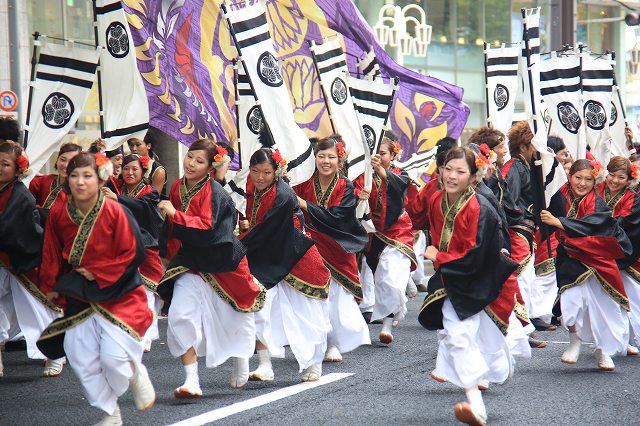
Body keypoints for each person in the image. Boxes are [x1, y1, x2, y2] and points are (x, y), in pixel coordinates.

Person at [37, 152, 155, 425]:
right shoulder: (59, 211)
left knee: (114, 359)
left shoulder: (114, 210)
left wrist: (100, 271)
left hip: (118, 290)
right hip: (79, 292)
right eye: (75, 175)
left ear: (100, 179)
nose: (80, 181)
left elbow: (133, 252)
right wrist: (51, 284)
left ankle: (135, 372)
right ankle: (111, 412)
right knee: (80, 357)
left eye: (87, 175)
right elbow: (51, 250)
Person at [157, 139, 265, 398]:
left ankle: (241, 358)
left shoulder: (216, 193)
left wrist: (175, 214)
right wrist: (167, 256)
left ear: (210, 167)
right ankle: (191, 380)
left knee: (234, 316)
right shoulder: (176, 187)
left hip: (222, 260)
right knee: (180, 315)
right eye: (190, 157)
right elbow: (172, 231)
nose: (191, 163)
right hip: (192, 262)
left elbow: (207, 229)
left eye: (199, 160)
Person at [418, 147, 518, 426]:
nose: (452, 176)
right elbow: (414, 215)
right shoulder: (437, 198)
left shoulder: (481, 209)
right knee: (458, 337)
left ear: (474, 177)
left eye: (460, 171)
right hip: (453, 278)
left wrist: (438, 256)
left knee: (488, 344)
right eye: (448, 169)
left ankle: (496, 370)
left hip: (483, 279)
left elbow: (475, 255)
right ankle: (476, 404)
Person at [239, 147, 332, 382]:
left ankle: (314, 363)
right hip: (270, 255)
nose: (260, 177)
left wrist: (235, 246)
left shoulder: (283, 196)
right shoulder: (254, 189)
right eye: (256, 171)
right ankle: (264, 364)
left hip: (297, 258)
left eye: (267, 172)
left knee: (306, 314)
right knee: (259, 308)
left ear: (277, 172)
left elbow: (264, 231)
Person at [540, 159, 632, 371]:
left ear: (594, 180)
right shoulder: (559, 195)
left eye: (588, 179)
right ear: (569, 176)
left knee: (602, 308)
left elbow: (594, 225)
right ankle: (574, 340)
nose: (582, 183)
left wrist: (560, 222)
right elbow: (544, 214)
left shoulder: (597, 203)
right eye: (577, 178)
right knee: (570, 300)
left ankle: (603, 351)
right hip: (570, 259)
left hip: (597, 261)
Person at [294, 138, 371, 364]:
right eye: (321, 156)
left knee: (335, 298)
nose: (326, 161)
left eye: (331, 157)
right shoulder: (303, 183)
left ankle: (333, 342)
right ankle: (318, 340)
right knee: (313, 297)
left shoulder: (345, 186)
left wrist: (305, 205)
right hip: (309, 245)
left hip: (337, 245)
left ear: (340, 160)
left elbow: (338, 217)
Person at [0, 141, 65, 378]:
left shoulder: (20, 196)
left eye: (5, 164)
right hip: (4, 261)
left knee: (38, 310)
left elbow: (10, 230)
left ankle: (55, 354)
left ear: (18, 169)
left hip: (25, 261)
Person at [354, 132, 417, 344]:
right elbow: (354, 196)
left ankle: (388, 325)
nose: (378, 158)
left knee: (389, 277)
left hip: (399, 231)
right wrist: (359, 196)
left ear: (393, 154)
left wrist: (383, 174)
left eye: (383, 153)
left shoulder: (400, 174)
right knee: (382, 280)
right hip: (374, 235)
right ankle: (393, 310)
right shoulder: (363, 176)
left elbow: (402, 187)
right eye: (375, 154)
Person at [102, 154, 164, 352]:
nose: (129, 172)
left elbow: (142, 207)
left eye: (134, 169)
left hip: (145, 246)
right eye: (126, 168)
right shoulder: (115, 188)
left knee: (147, 294)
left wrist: (117, 199)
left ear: (143, 172)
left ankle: (146, 334)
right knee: (126, 293)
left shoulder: (150, 192)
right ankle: (132, 329)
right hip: (120, 246)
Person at [502, 121, 548, 347]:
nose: (534, 151)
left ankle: (522, 329)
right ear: (523, 148)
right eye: (532, 146)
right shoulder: (513, 168)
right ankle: (520, 329)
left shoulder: (524, 166)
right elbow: (507, 200)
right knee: (521, 280)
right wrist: (521, 217)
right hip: (517, 231)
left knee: (526, 279)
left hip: (525, 230)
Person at [596, 156, 640, 354]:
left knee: (629, 297)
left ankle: (628, 337)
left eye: (621, 177)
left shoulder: (634, 198)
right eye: (611, 175)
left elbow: (627, 225)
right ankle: (610, 339)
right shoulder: (595, 191)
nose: (614, 181)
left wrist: (597, 224)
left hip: (624, 253)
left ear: (628, 179)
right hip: (595, 250)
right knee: (601, 300)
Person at [28, 143, 82, 220]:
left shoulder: (81, 190)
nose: (66, 165)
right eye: (63, 159)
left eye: (72, 162)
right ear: (57, 160)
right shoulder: (43, 181)